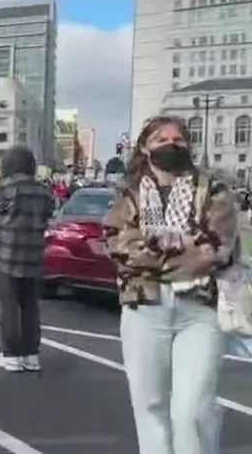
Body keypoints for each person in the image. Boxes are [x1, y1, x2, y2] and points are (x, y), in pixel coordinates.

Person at [107, 115, 237, 454]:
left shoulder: (214, 189)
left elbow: (216, 249)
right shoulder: (128, 193)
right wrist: (184, 251)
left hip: (201, 312)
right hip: (144, 310)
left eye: (178, 138)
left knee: (191, 410)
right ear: (144, 147)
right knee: (149, 405)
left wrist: (153, 256)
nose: (170, 143)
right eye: (161, 138)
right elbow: (120, 247)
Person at [0, 145, 54, 373]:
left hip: (4, 257)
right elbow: (48, 218)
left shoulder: (2, 189)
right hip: (34, 256)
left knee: (9, 307)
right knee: (30, 307)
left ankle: (11, 355)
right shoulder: (44, 191)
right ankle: (31, 354)